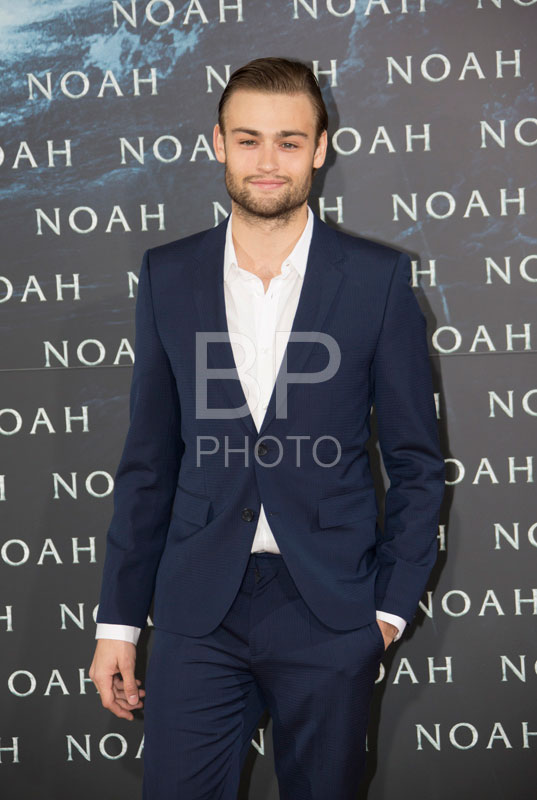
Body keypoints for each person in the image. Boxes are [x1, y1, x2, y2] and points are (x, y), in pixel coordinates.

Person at [89, 56, 445, 799]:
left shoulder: (377, 280)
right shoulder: (168, 274)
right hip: (197, 609)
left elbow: (416, 461)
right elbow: (148, 463)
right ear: (218, 142)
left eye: (289, 141)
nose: (267, 161)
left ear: (320, 149)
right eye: (249, 139)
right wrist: (118, 625)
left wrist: (384, 614)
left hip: (330, 610)